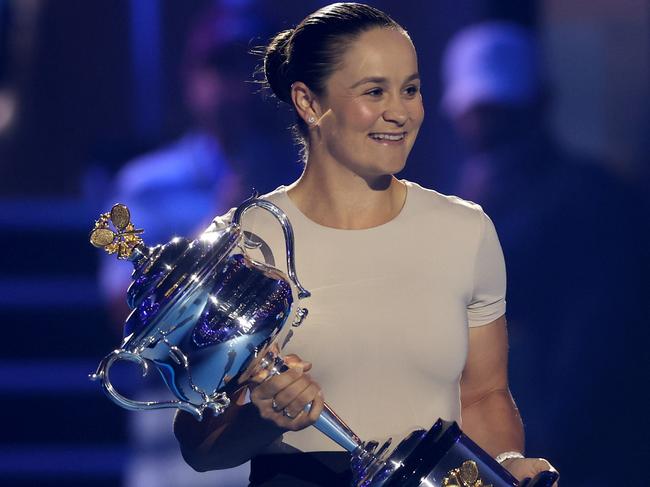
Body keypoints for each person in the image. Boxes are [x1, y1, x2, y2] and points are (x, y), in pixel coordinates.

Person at [174, 4, 558, 486]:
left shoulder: (466, 230)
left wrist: (502, 464)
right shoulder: (245, 242)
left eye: (411, 89)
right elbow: (200, 447)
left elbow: (484, 395)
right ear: (309, 103)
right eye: (374, 91)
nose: (400, 112)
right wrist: (264, 418)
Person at [441, 21, 649, 484]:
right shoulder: (461, 206)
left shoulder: (594, 200)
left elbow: (592, 350)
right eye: (482, 110)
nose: (488, 123)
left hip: (578, 453)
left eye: (501, 109)